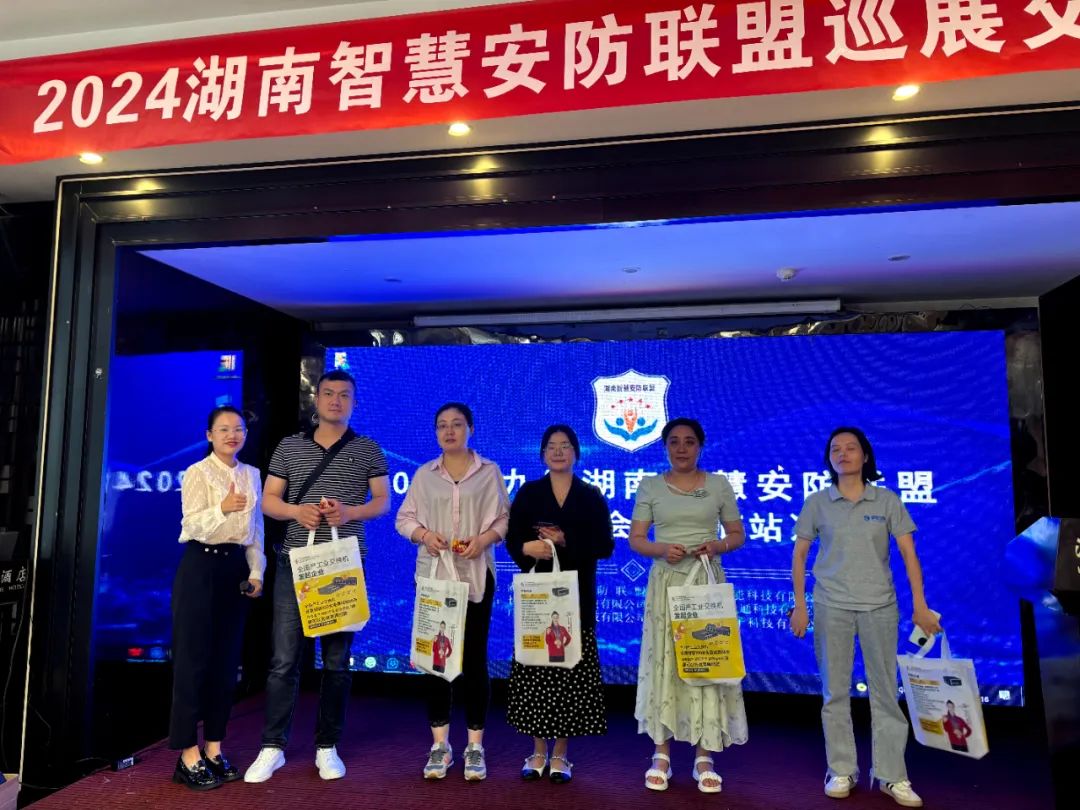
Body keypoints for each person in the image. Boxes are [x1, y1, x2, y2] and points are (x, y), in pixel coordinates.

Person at [244, 370, 389, 783]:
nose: (336, 401)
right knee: (284, 660)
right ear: (316, 399)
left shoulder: (368, 448)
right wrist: (297, 511)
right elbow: (269, 500)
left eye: (344, 395)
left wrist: (350, 512)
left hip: (344, 564)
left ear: (355, 403)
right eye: (328, 393)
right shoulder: (290, 446)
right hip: (296, 563)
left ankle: (328, 746)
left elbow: (382, 501)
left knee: (337, 662)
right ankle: (273, 747)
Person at [791, 427, 942, 808]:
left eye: (851, 448)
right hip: (831, 605)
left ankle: (892, 775)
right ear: (829, 459)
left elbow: (909, 554)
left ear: (865, 456)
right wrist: (800, 606)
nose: (842, 454)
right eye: (835, 449)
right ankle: (841, 769)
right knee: (834, 692)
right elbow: (800, 555)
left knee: (885, 692)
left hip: (880, 606)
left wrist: (920, 606)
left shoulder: (886, 500)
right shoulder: (817, 502)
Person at [629, 418, 747, 795]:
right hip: (667, 582)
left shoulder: (719, 484)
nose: (682, 448)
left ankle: (704, 755)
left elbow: (737, 534)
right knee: (665, 666)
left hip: (706, 581)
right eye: (675, 442)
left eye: (690, 441)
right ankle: (661, 754)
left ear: (700, 446)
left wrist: (717, 545)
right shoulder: (650, 485)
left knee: (707, 662)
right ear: (665, 447)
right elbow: (636, 539)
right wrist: (662, 549)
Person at [396, 402, 510, 782]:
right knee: (437, 663)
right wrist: (424, 535)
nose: (449, 431)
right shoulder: (424, 475)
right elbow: (404, 519)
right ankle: (440, 745)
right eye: (442, 425)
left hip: (475, 577)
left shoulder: (489, 472)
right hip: (435, 580)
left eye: (457, 424)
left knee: (474, 661)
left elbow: (504, 519)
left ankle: (475, 746)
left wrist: (483, 540)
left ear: (470, 429)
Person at [505, 424, 614, 784]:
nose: (558, 451)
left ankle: (561, 754)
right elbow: (512, 538)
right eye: (551, 446)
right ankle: (537, 750)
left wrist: (566, 541)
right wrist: (526, 547)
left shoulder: (590, 495)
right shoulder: (529, 492)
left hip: (576, 598)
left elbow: (605, 546)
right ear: (542, 454)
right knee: (536, 671)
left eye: (565, 446)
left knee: (570, 676)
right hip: (538, 599)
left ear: (576, 453)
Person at [170, 405, 265, 791]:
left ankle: (214, 748)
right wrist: (221, 508)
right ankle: (187, 754)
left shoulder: (252, 474)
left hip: (234, 570)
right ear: (209, 435)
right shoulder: (197, 472)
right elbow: (189, 525)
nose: (232, 435)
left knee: (226, 665)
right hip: (200, 567)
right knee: (192, 662)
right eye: (223, 429)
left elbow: (255, 529)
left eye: (238, 429)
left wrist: (256, 572)